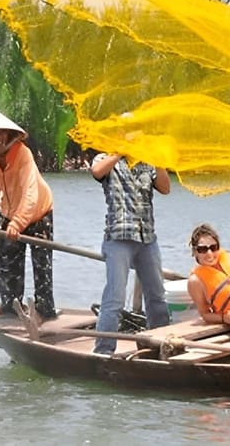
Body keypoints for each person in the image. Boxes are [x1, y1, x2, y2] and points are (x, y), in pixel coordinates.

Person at [0, 110, 57, 321]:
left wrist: (18, 223)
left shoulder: (23, 154)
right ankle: (10, 305)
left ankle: (44, 310)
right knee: (4, 258)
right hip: (8, 211)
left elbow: (30, 194)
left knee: (42, 262)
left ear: (8, 134)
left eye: (0, 133)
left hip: (38, 212)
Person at [90, 150, 172, 355]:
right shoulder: (106, 159)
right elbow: (97, 171)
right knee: (115, 298)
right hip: (118, 238)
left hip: (147, 239)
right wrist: (119, 151)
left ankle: (159, 345)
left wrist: (158, 159)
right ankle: (104, 351)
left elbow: (165, 188)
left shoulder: (148, 163)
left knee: (157, 296)